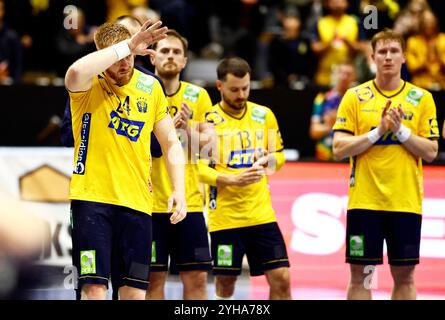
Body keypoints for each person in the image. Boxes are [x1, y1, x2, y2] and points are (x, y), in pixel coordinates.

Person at [65, 20, 187, 300]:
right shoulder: (86, 84)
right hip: (92, 202)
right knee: (94, 289)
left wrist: (178, 190)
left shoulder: (150, 87)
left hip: (138, 205)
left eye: (130, 57)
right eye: (119, 57)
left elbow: (170, 143)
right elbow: (74, 71)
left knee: (134, 294)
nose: (125, 63)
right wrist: (127, 46)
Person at [332, 28, 439, 300]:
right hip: (365, 203)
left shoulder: (422, 98)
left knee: (405, 276)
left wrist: (400, 131)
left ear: (404, 57)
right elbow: (338, 149)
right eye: (382, 52)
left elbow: (431, 152)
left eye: (394, 52)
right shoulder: (355, 97)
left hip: (405, 202)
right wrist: (378, 131)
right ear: (372, 57)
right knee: (362, 276)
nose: (388, 57)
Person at [199, 57, 291, 300]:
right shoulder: (206, 122)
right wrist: (231, 180)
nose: (241, 95)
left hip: (261, 215)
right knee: (226, 284)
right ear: (219, 86)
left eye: (245, 88)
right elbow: (198, 170)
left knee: (281, 278)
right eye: (234, 89)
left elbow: (279, 157)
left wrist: (267, 161)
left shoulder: (264, 115)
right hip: (226, 219)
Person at [145, 29, 214, 300]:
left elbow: (212, 150)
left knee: (196, 281)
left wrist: (188, 128)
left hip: (190, 203)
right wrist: (164, 133)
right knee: (152, 282)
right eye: (164, 51)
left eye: (176, 52)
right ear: (153, 58)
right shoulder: (143, 94)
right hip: (149, 204)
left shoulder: (198, 96)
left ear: (185, 61)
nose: (170, 56)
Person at [309, 61, 356, 160]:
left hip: (348, 157)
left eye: (348, 74)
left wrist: (334, 123)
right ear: (334, 75)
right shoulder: (321, 99)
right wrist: (332, 125)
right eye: (341, 72)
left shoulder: (357, 101)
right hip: (324, 156)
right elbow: (314, 131)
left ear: (354, 78)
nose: (344, 77)